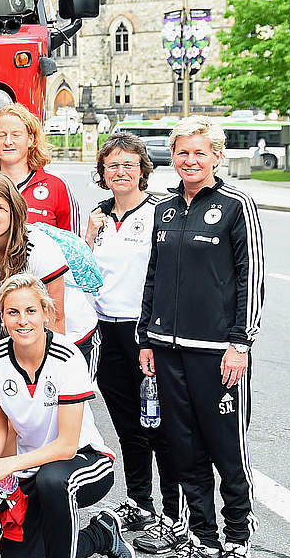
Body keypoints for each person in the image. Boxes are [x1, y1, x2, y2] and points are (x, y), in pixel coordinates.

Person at [139, 117, 262, 558]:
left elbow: (251, 277)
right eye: (182, 153)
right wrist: (147, 338)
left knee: (225, 447)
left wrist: (240, 342)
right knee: (184, 448)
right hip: (168, 349)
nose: (190, 161)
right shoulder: (164, 208)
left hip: (218, 353)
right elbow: (153, 274)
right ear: (172, 157)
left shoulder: (235, 205)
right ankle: (204, 536)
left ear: (216, 156)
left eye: (199, 152)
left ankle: (238, 533)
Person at [0, 274, 132, 558]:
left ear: (45, 313)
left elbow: (66, 446)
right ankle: (101, 533)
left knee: (53, 480)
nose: (23, 320)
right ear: (2, 317)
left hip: (84, 461)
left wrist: (8, 465)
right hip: (28, 467)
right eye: (13, 312)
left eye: (31, 311)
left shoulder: (66, 356)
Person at [85, 133, 186, 551]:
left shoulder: (160, 212)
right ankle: (139, 501)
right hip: (105, 330)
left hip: (145, 333)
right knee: (128, 426)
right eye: (112, 165)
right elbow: (84, 272)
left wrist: (153, 334)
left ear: (144, 168)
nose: (120, 172)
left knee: (158, 424)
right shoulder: (99, 216)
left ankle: (174, 514)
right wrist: (89, 234)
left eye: (129, 164)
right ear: (102, 173)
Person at [0, 172, 97, 368]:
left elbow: (56, 317)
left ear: (13, 210)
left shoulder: (39, 247)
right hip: (24, 330)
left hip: (71, 334)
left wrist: (46, 371)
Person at [0, 103, 80, 234]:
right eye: (2, 135)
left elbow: (74, 246)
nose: (8, 142)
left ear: (30, 139)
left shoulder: (57, 186)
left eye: (16, 135)